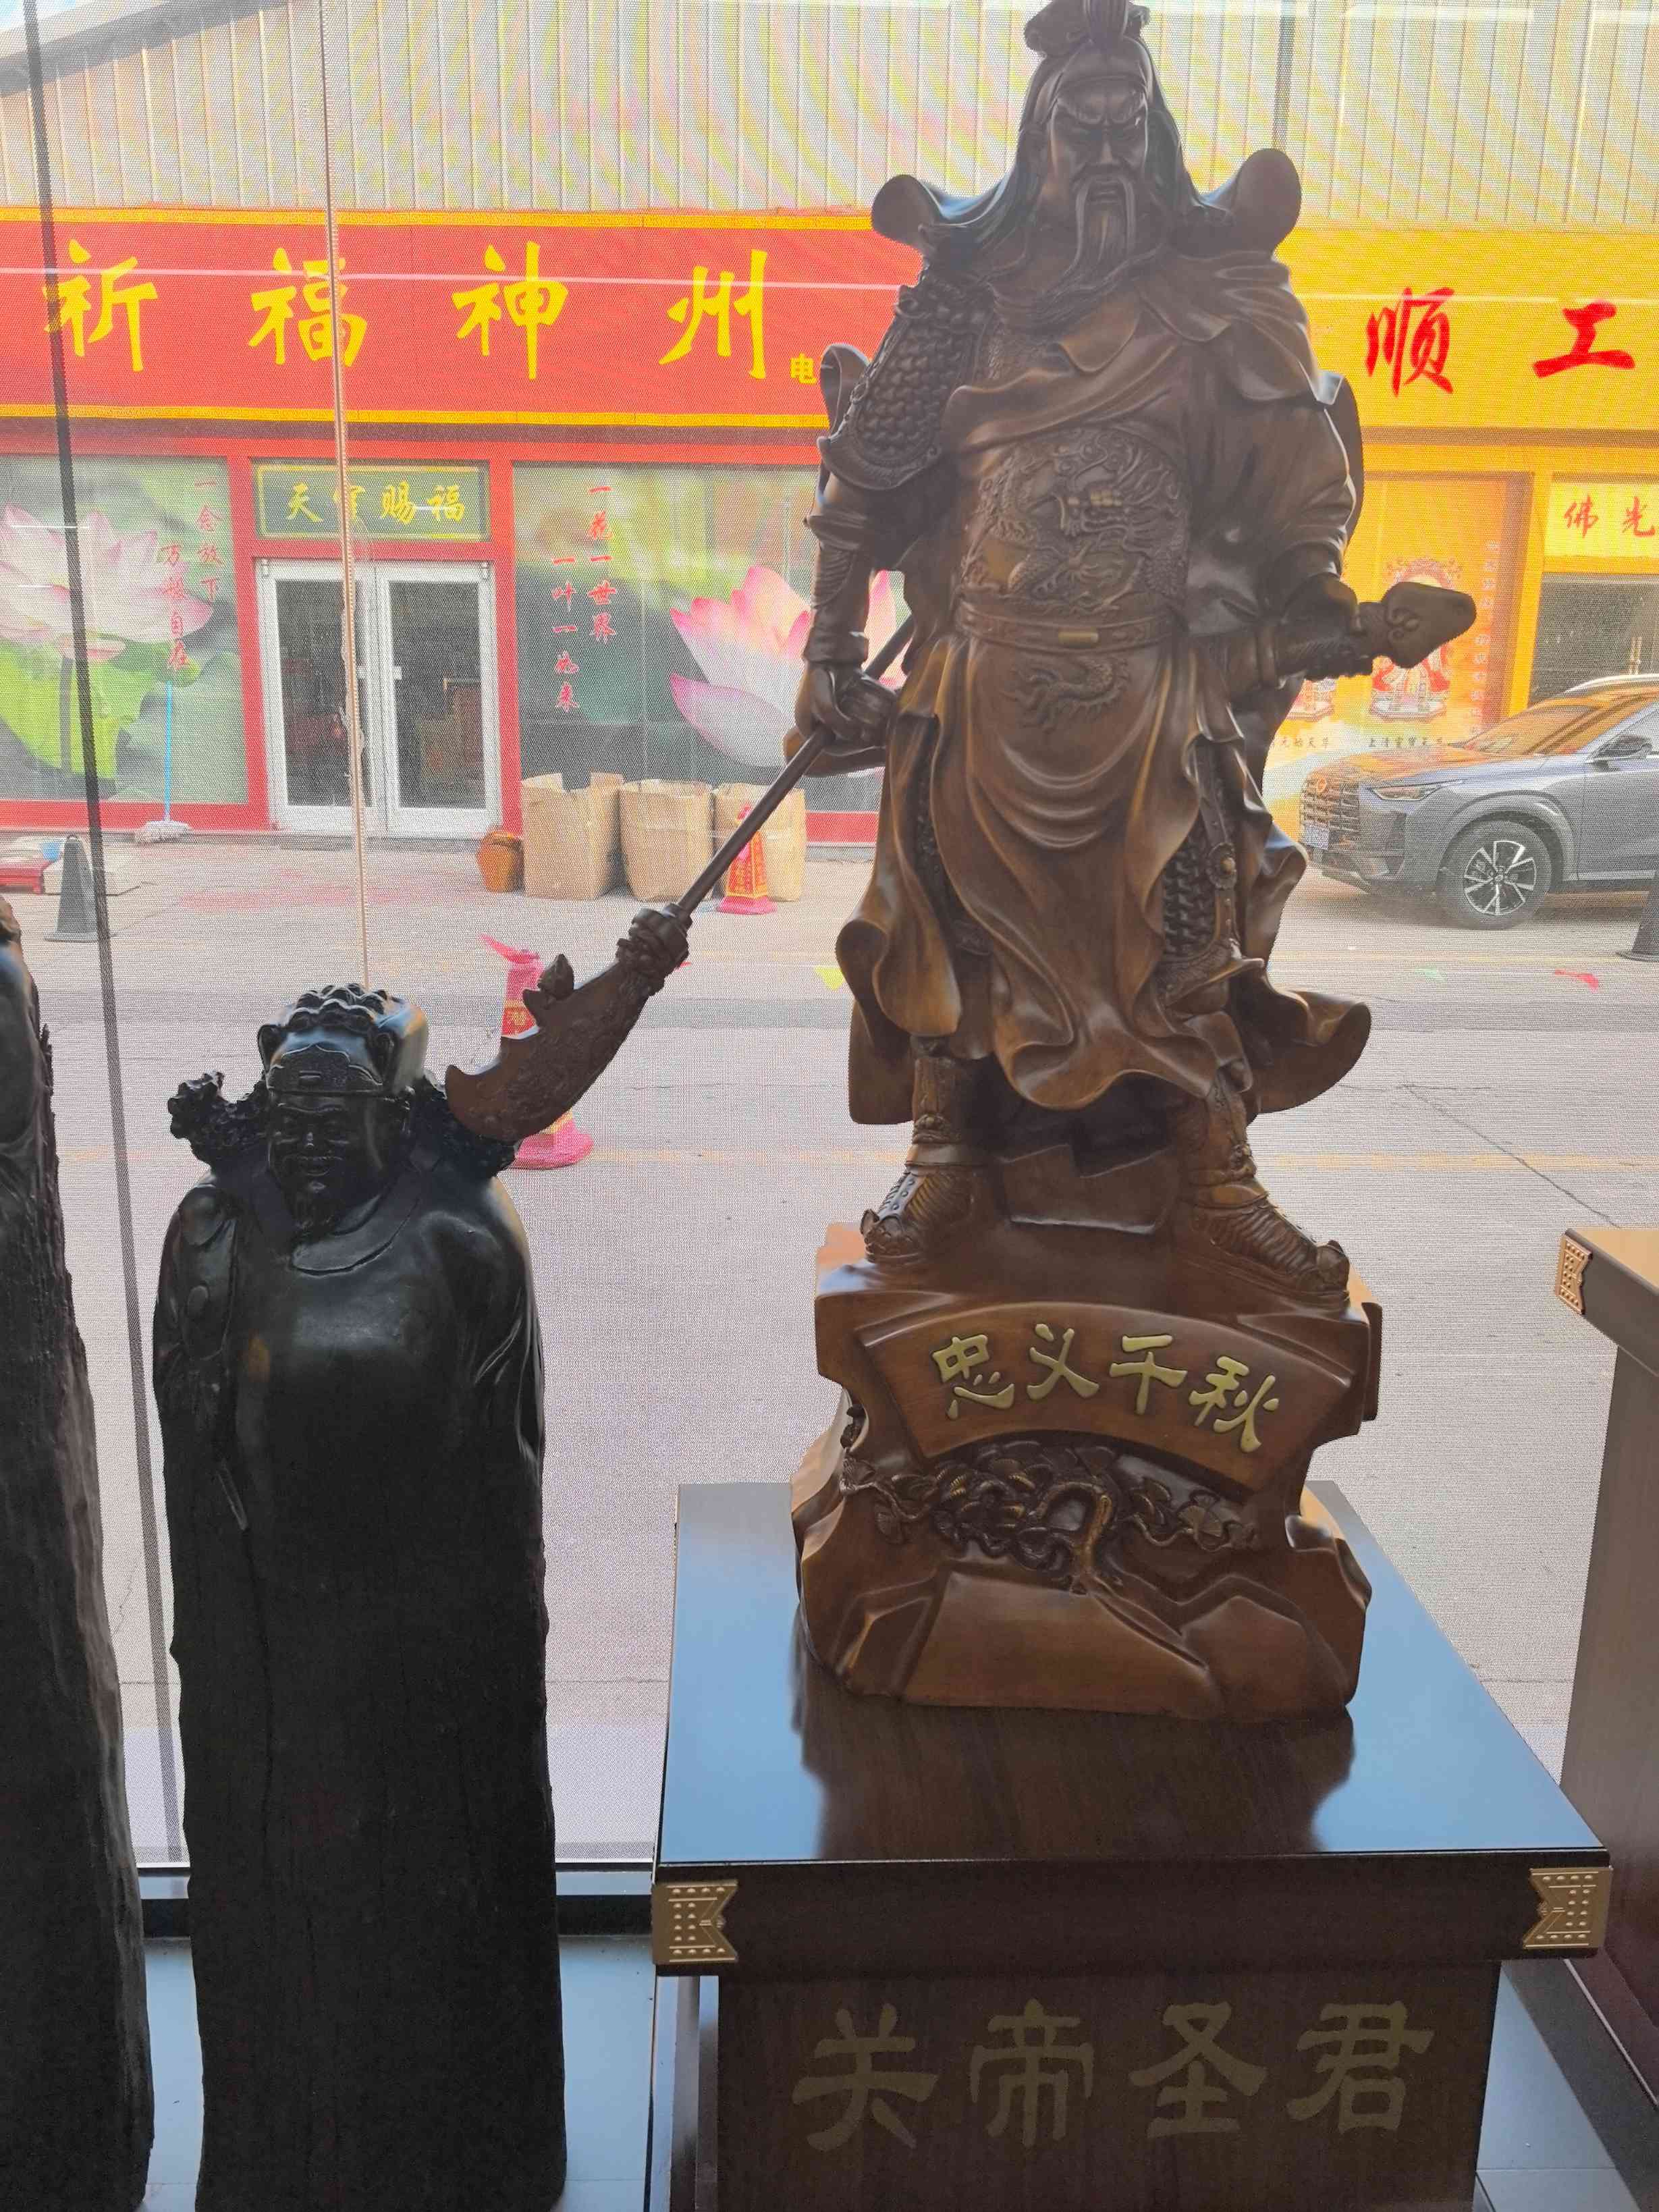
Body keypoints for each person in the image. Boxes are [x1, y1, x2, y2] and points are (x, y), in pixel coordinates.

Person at [796, 0, 1374, 1306]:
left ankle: (1217, 1188)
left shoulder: (1219, 300)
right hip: (979, 689)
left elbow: (1295, 478)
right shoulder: (966, 302)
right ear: (1037, 143)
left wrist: (1313, 595)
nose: (1105, 153)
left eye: (1127, 128)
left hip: (1151, 688)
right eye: (1079, 127)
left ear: (1156, 142)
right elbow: (863, 484)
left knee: (1190, 926)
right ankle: (945, 1159)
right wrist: (830, 647)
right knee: (950, 927)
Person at [155, 985, 564, 2212]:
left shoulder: (461, 1242)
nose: (308, 1148)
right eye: (288, 1121)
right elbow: (193, 1455)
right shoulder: (215, 1234)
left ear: (396, 1114)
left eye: (335, 1123)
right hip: (269, 1646)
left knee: (427, 1925)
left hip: (424, 1657)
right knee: (283, 1935)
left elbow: (505, 1487)